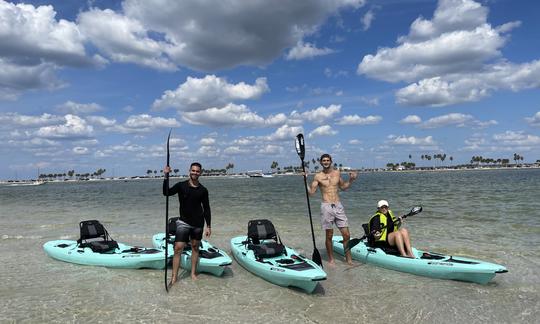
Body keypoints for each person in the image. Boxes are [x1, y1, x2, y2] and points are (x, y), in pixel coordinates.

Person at [163, 162, 211, 286]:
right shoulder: (181, 186)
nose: (195, 173)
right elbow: (166, 193)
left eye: (197, 171)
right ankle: (174, 277)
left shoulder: (203, 190)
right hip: (183, 222)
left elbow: (206, 208)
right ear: (189, 171)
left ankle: (193, 273)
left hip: (198, 224)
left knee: (195, 247)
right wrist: (166, 176)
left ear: (200, 173)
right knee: (178, 248)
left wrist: (208, 226)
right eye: (193, 170)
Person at [306, 153, 357, 266]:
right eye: (324, 160)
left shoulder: (337, 173)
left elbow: (343, 187)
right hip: (326, 206)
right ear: (321, 162)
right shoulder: (318, 176)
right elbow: (311, 193)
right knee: (329, 235)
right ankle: (331, 260)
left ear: (331, 161)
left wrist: (351, 180)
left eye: (327, 160)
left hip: (338, 205)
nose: (326, 162)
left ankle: (348, 259)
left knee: (346, 234)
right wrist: (305, 181)